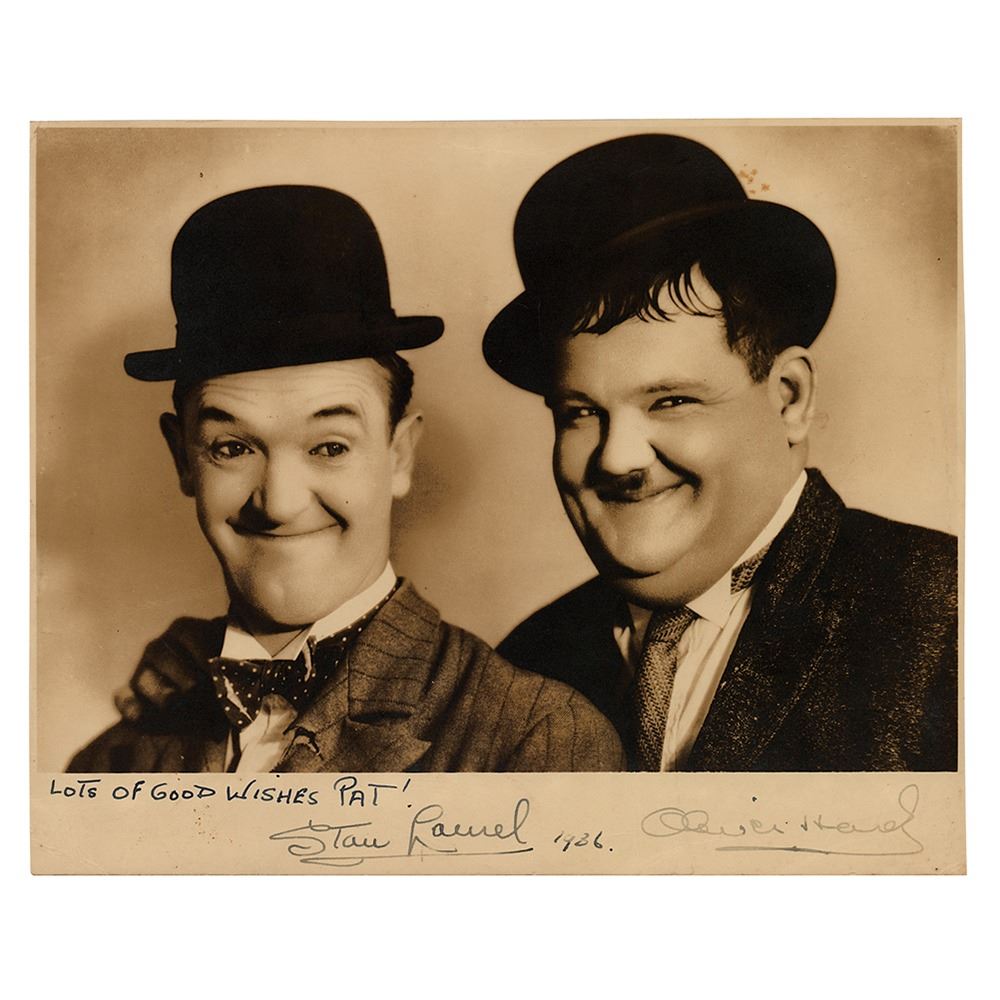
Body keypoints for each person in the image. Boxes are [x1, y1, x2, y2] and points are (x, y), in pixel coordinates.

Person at [68, 184, 623, 774]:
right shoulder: (112, 759)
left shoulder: (534, 740)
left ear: (399, 455)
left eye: (329, 447)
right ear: (183, 458)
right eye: (232, 448)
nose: (280, 503)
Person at [483, 134, 958, 772]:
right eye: (580, 413)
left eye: (672, 401)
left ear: (789, 397)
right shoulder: (524, 664)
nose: (618, 460)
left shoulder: (950, 619)